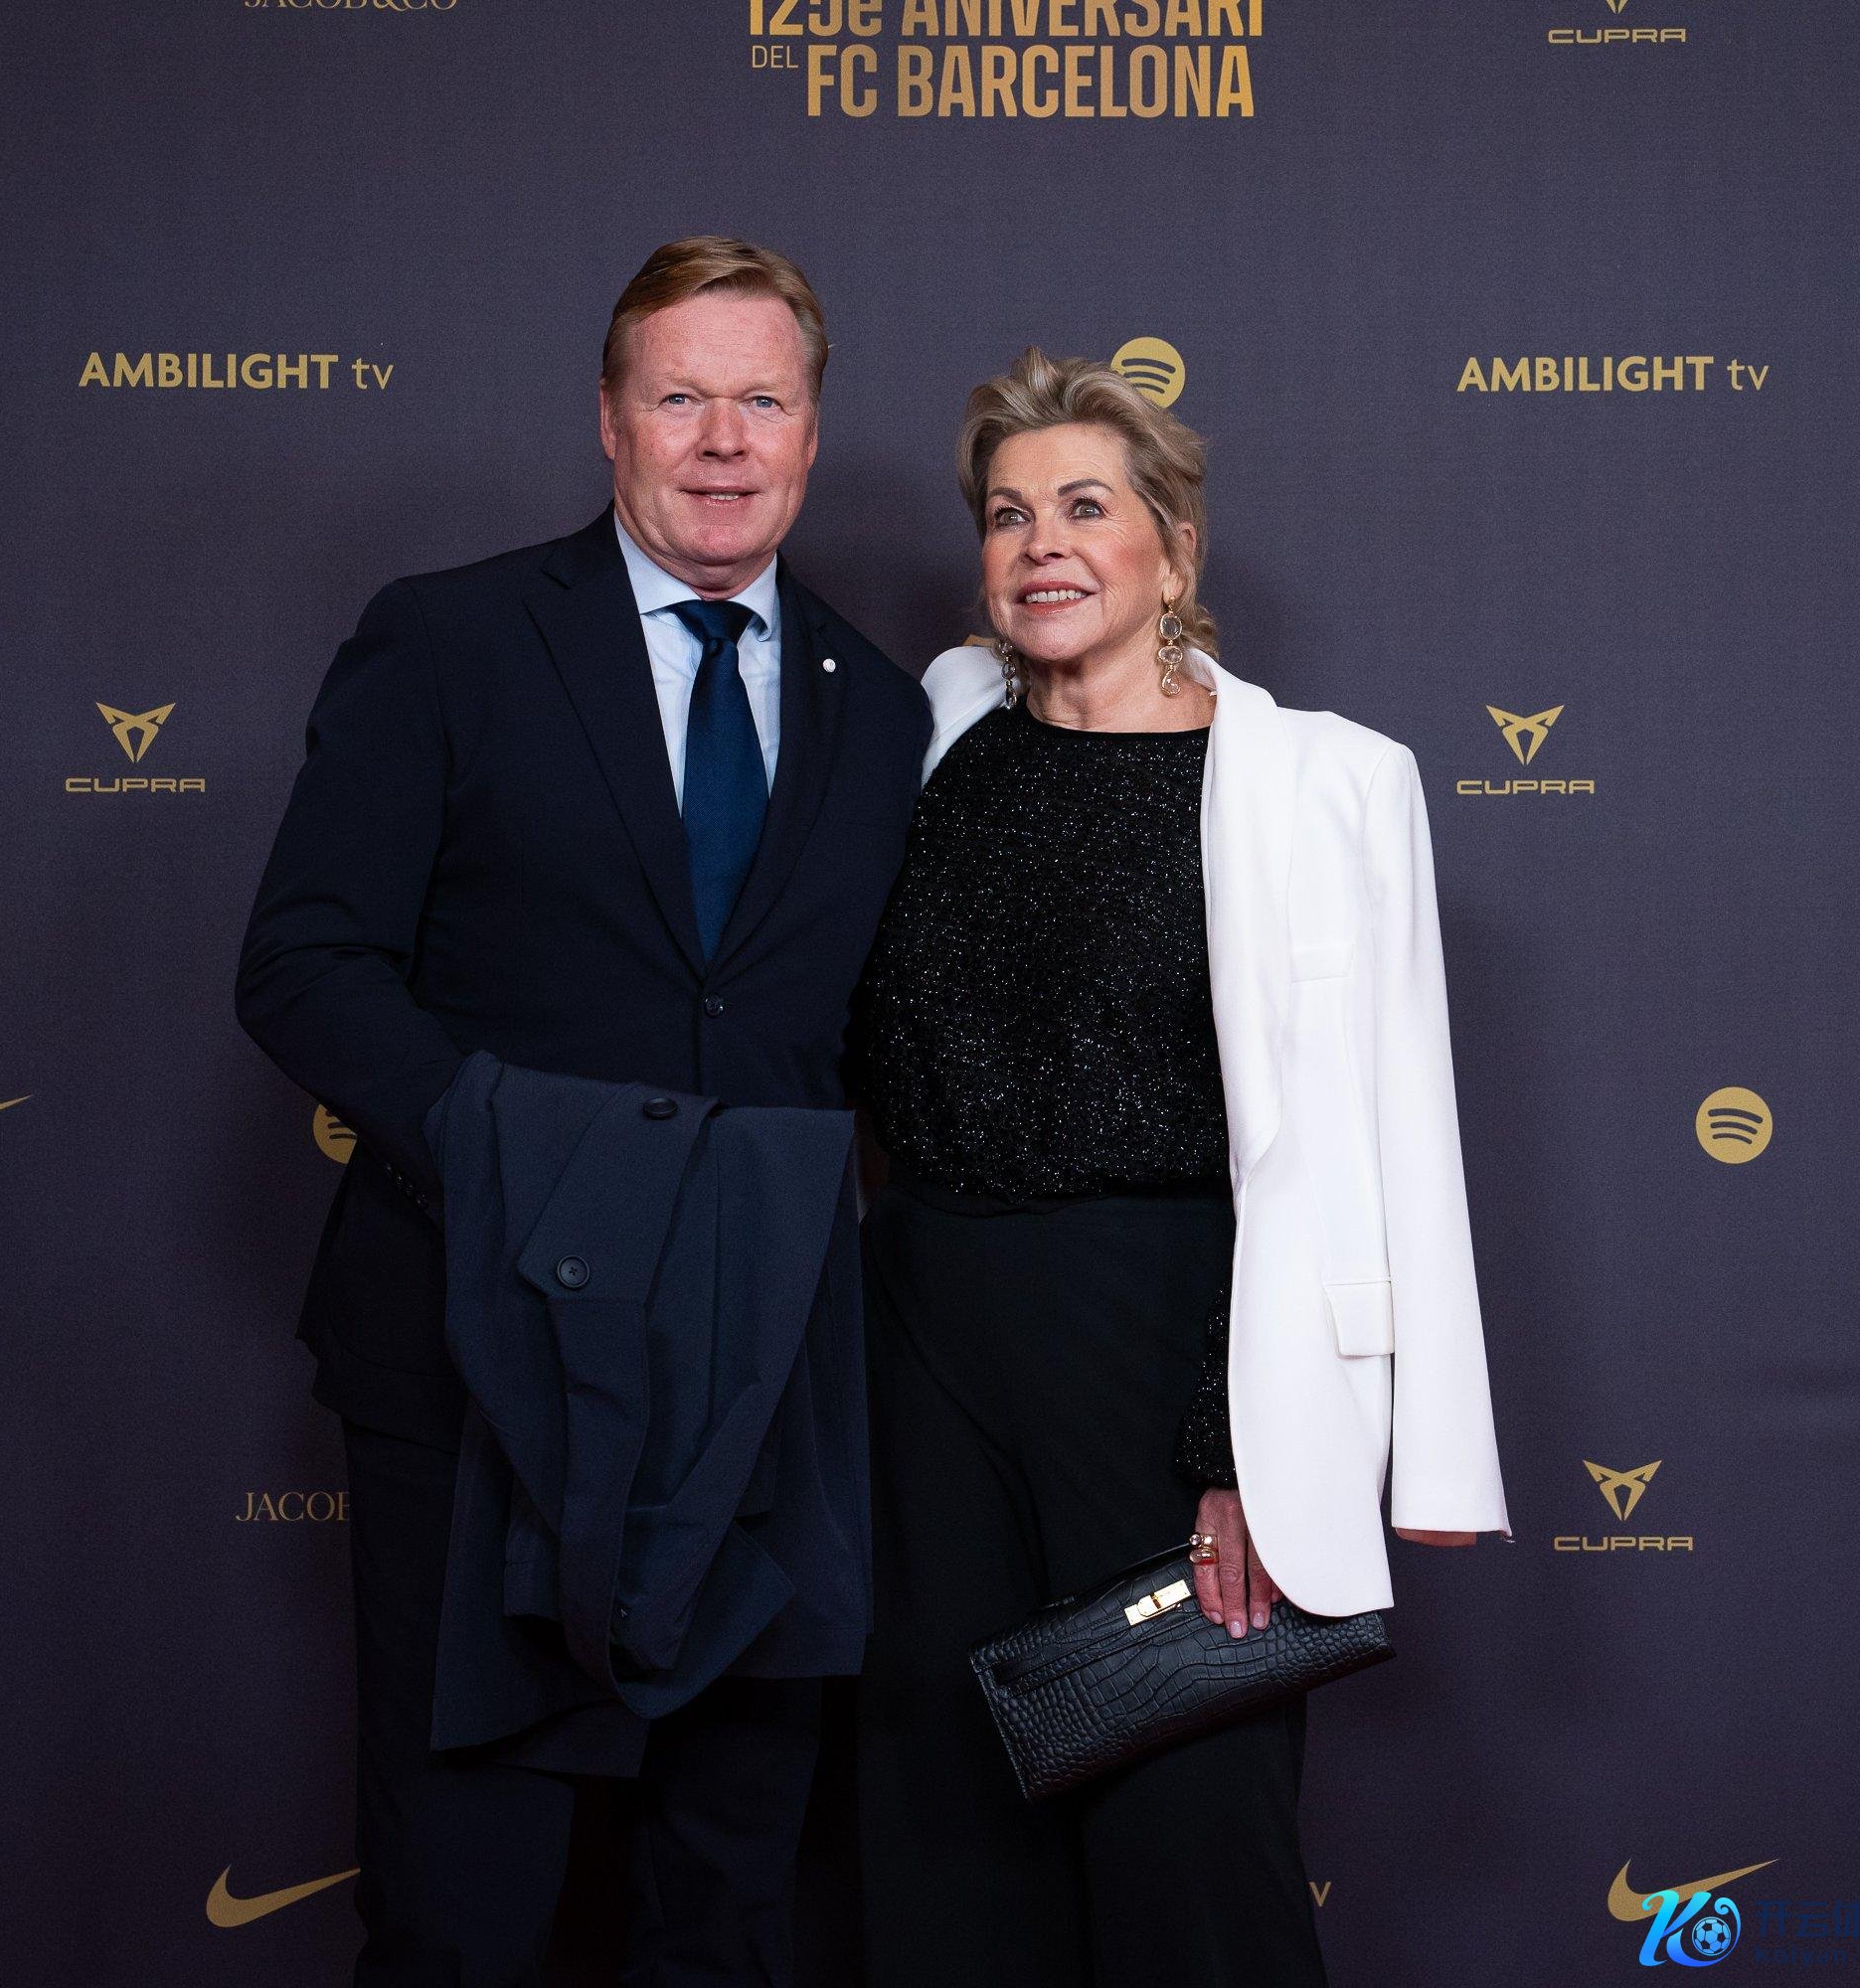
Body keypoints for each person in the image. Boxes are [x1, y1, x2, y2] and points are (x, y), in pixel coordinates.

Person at [234, 236, 930, 1987]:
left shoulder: (878, 708)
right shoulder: (452, 638)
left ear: (812, 432)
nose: (724, 439)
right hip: (479, 1360)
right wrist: (525, 1166)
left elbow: (859, 1044)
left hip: (758, 1381)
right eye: (680, 397)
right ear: (609, 423)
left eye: (762, 399)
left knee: (730, 1896)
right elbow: (304, 962)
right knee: (465, 1901)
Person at [848, 347, 1512, 1988]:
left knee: (1190, 1842)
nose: (1042, 546)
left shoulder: (1329, 782)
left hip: (1176, 1350)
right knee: (939, 1846)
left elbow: (1379, 1133)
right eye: (1009, 515)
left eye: (1086, 507)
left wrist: (1256, 1453)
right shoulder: (931, 733)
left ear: (1175, 548)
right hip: (920, 1345)